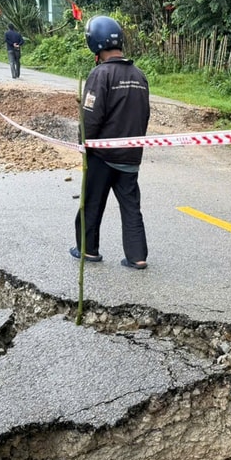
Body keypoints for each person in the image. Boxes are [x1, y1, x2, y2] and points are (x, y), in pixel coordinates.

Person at [70, 15, 151, 270]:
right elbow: (145, 114)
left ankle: (88, 250)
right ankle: (137, 257)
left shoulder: (100, 74)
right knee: (131, 207)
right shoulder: (139, 75)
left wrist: (84, 143)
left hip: (103, 157)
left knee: (92, 203)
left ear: (94, 43)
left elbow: (91, 117)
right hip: (130, 156)